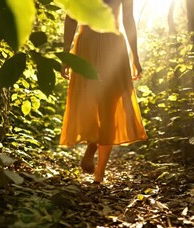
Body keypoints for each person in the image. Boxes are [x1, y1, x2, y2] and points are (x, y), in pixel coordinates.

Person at [60, 0, 147, 183]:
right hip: (107, 45)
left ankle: (98, 167)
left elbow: (71, 18)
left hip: (94, 45)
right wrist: (134, 56)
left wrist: (135, 57)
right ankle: (97, 168)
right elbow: (128, 19)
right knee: (105, 105)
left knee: (103, 103)